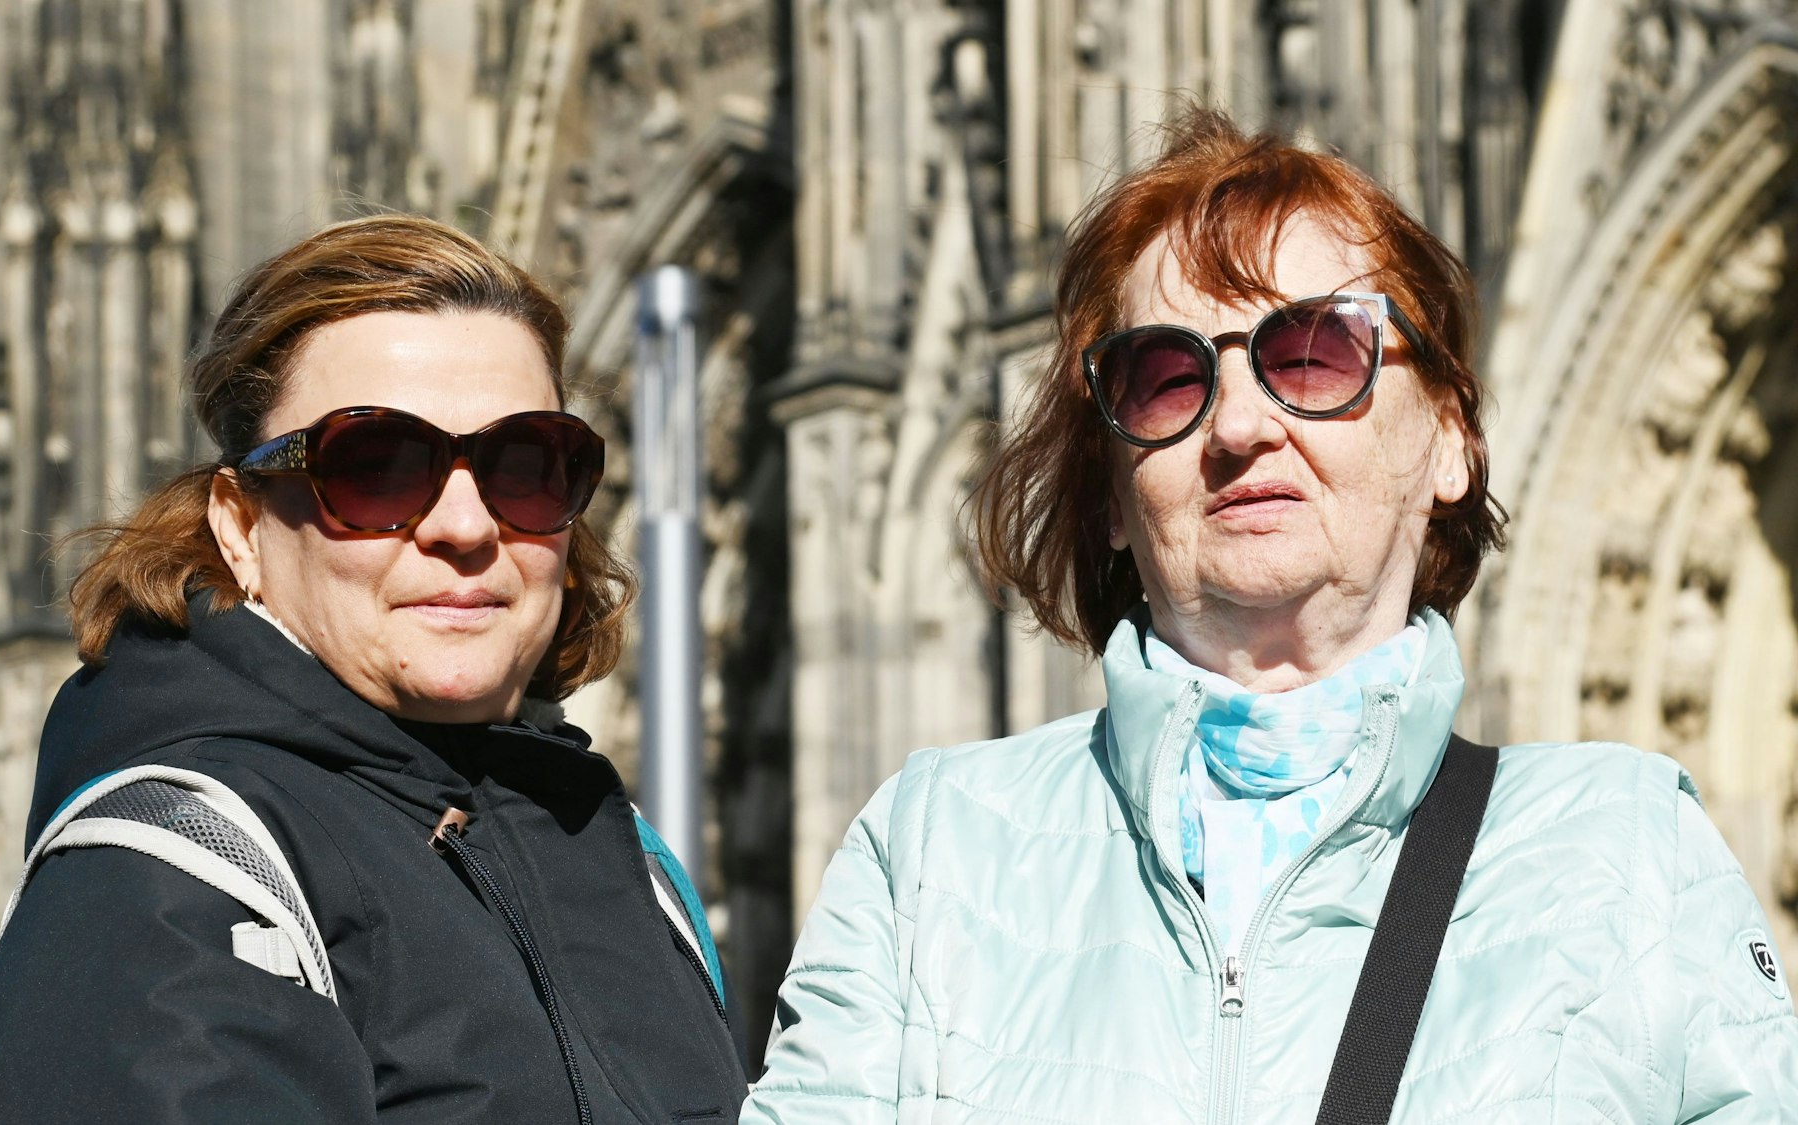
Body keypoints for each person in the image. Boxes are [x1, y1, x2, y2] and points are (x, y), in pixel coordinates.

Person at [743, 110, 1798, 1122]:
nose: (1240, 424)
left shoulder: (1625, 848)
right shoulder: (932, 852)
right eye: (1163, 379)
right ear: (1109, 491)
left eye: (1313, 354)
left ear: (1447, 440)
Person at [0, 214, 747, 1123]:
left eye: (526, 465)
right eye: (377, 466)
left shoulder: (621, 861)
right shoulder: (171, 872)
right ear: (240, 524)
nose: (466, 526)